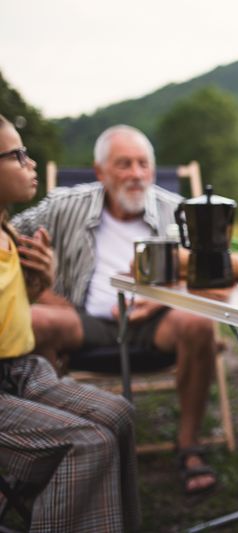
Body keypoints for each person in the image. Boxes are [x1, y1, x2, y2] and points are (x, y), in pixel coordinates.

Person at [12, 124, 219, 496]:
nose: (137, 174)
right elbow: (9, 230)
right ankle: (56, 438)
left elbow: (209, 270)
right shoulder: (65, 205)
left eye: (144, 164)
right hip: (83, 319)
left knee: (200, 324)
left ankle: (188, 443)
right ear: (100, 172)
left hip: (155, 321)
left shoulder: (178, 211)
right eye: (124, 164)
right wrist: (41, 289)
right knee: (35, 320)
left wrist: (162, 297)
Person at [0, 114, 140, 531]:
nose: (31, 162)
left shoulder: (7, 230)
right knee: (87, 444)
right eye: (16, 154)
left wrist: (37, 281)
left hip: (20, 370)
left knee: (119, 414)